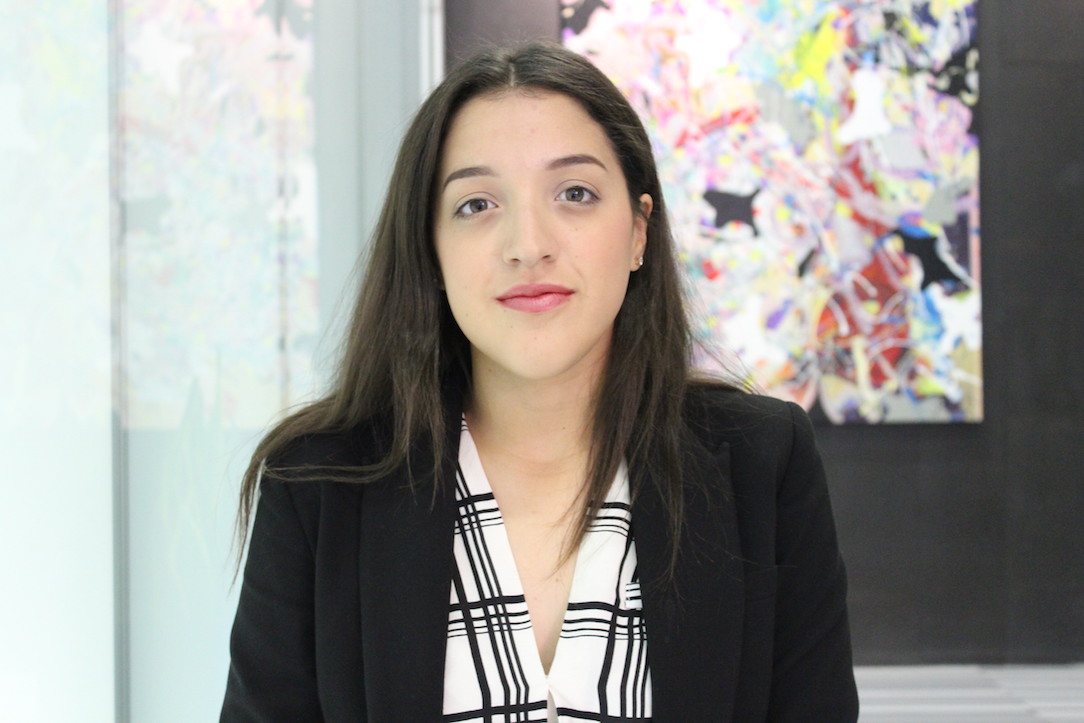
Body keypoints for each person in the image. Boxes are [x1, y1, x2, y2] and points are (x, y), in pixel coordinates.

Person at [221, 41, 858, 722]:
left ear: (639, 231)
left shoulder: (762, 463)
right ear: (430, 249)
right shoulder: (316, 483)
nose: (528, 245)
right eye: (477, 204)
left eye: (575, 194)